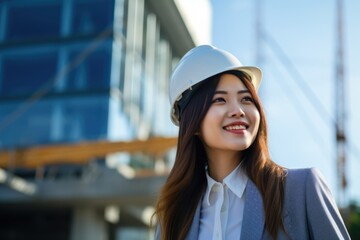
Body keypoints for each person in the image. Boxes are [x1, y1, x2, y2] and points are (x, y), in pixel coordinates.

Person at [153, 45, 350, 240]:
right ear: (192, 123)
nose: (238, 110)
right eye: (220, 100)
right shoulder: (173, 214)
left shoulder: (301, 190)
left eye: (246, 99)